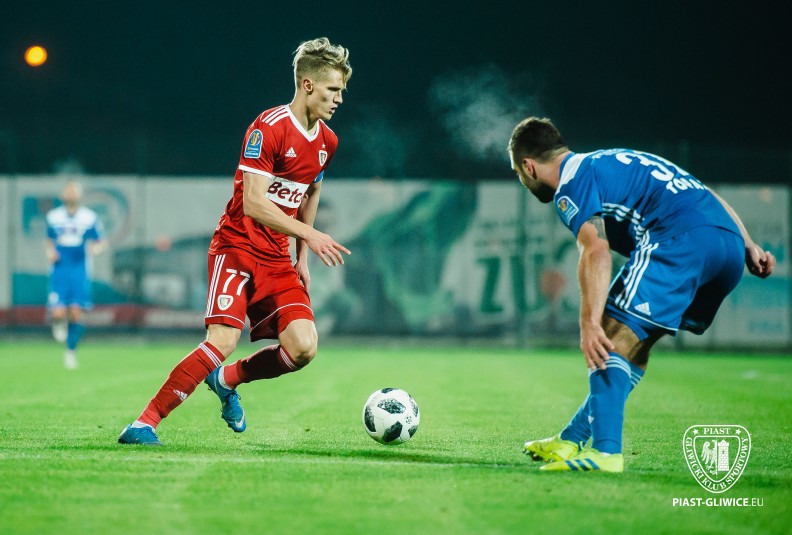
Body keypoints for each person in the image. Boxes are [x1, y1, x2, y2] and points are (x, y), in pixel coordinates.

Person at [119, 37, 352, 445]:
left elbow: (310, 192)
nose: (339, 99)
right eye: (333, 89)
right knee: (223, 340)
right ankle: (144, 423)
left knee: (303, 348)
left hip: (278, 258)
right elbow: (254, 204)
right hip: (237, 249)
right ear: (307, 84)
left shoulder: (327, 142)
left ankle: (226, 379)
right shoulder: (268, 127)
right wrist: (311, 235)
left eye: (342, 91)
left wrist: (302, 257)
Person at [509, 117, 775, 472]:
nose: (522, 180)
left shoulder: (572, 183)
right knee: (634, 343)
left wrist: (589, 322)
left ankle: (605, 453)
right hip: (727, 249)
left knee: (608, 335)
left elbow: (596, 250)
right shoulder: (613, 160)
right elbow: (704, 193)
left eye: (518, 173)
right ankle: (570, 440)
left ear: (529, 166)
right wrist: (748, 243)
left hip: (681, 241)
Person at [45, 181, 106, 369]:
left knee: (76, 312)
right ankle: (58, 323)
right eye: (68, 190)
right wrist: (50, 252)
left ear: (80, 195)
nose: (71, 193)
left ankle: (70, 351)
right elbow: (49, 240)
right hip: (60, 268)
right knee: (58, 312)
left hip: (79, 269)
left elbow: (100, 241)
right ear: (63, 195)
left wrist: (96, 249)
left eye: (74, 191)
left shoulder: (89, 217)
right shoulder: (53, 217)